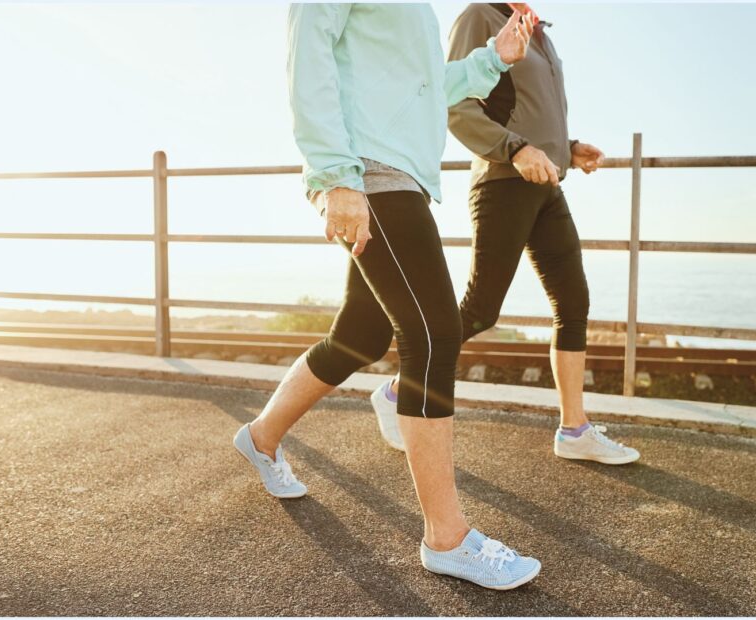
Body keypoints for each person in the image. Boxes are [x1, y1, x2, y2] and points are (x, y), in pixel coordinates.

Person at [233, 3, 542, 591]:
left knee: (361, 334)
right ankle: (447, 539)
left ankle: (261, 437)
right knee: (433, 334)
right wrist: (335, 175)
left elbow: (424, 85)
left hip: (400, 173)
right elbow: (309, 59)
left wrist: (490, 61)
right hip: (369, 171)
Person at [370, 3, 641, 465]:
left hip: (547, 183)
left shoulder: (540, 31)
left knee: (573, 304)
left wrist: (567, 148)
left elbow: (526, 107)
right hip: (502, 182)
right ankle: (398, 391)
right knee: (481, 309)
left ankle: (574, 430)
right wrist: (514, 149)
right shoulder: (480, 16)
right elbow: (452, 101)